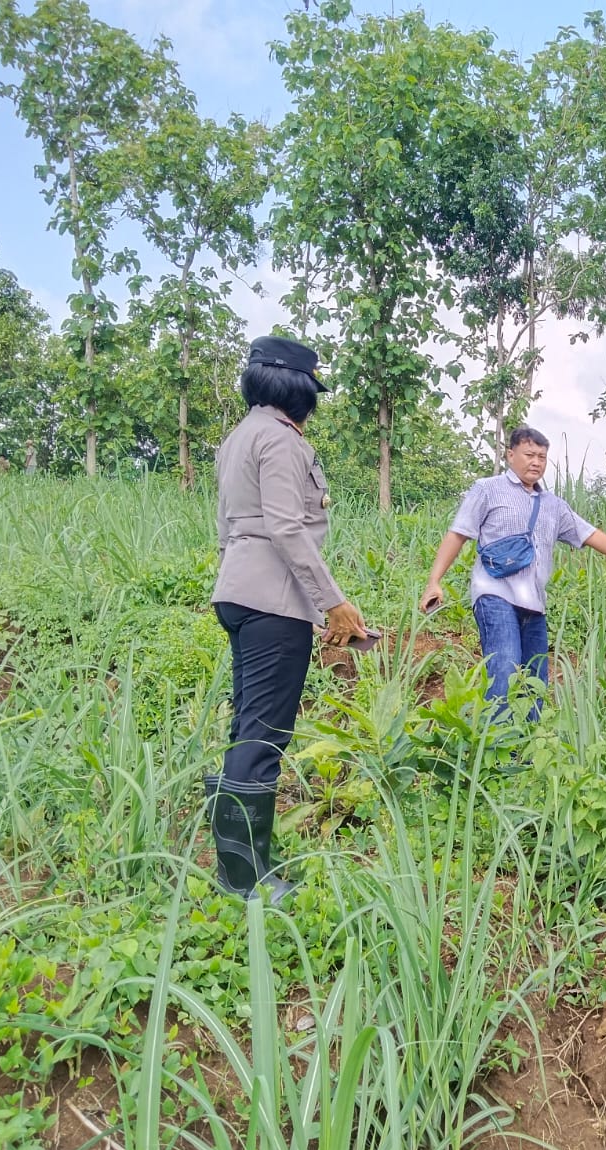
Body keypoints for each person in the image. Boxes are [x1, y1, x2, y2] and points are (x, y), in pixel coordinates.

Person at [207, 335, 369, 902]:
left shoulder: (238, 436)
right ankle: (243, 879)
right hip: (274, 600)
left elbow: (232, 525)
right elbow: (285, 527)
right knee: (265, 733)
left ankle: (244, 862)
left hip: (237, 591)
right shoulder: (280, 440)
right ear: (299, 389)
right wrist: (334, 602)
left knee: (245, 728)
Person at [422, 426, 606, 718]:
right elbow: (458, 534)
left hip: (534, 603)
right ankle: (493, 748)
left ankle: (530, 749)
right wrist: (434, 581)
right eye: (529, 454)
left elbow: (589, 534)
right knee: (505, 666)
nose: (536, 462)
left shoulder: (553, 506)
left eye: (542, 457)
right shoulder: (488, 489)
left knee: (535, 679)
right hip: (494, 593)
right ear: (510, 455)